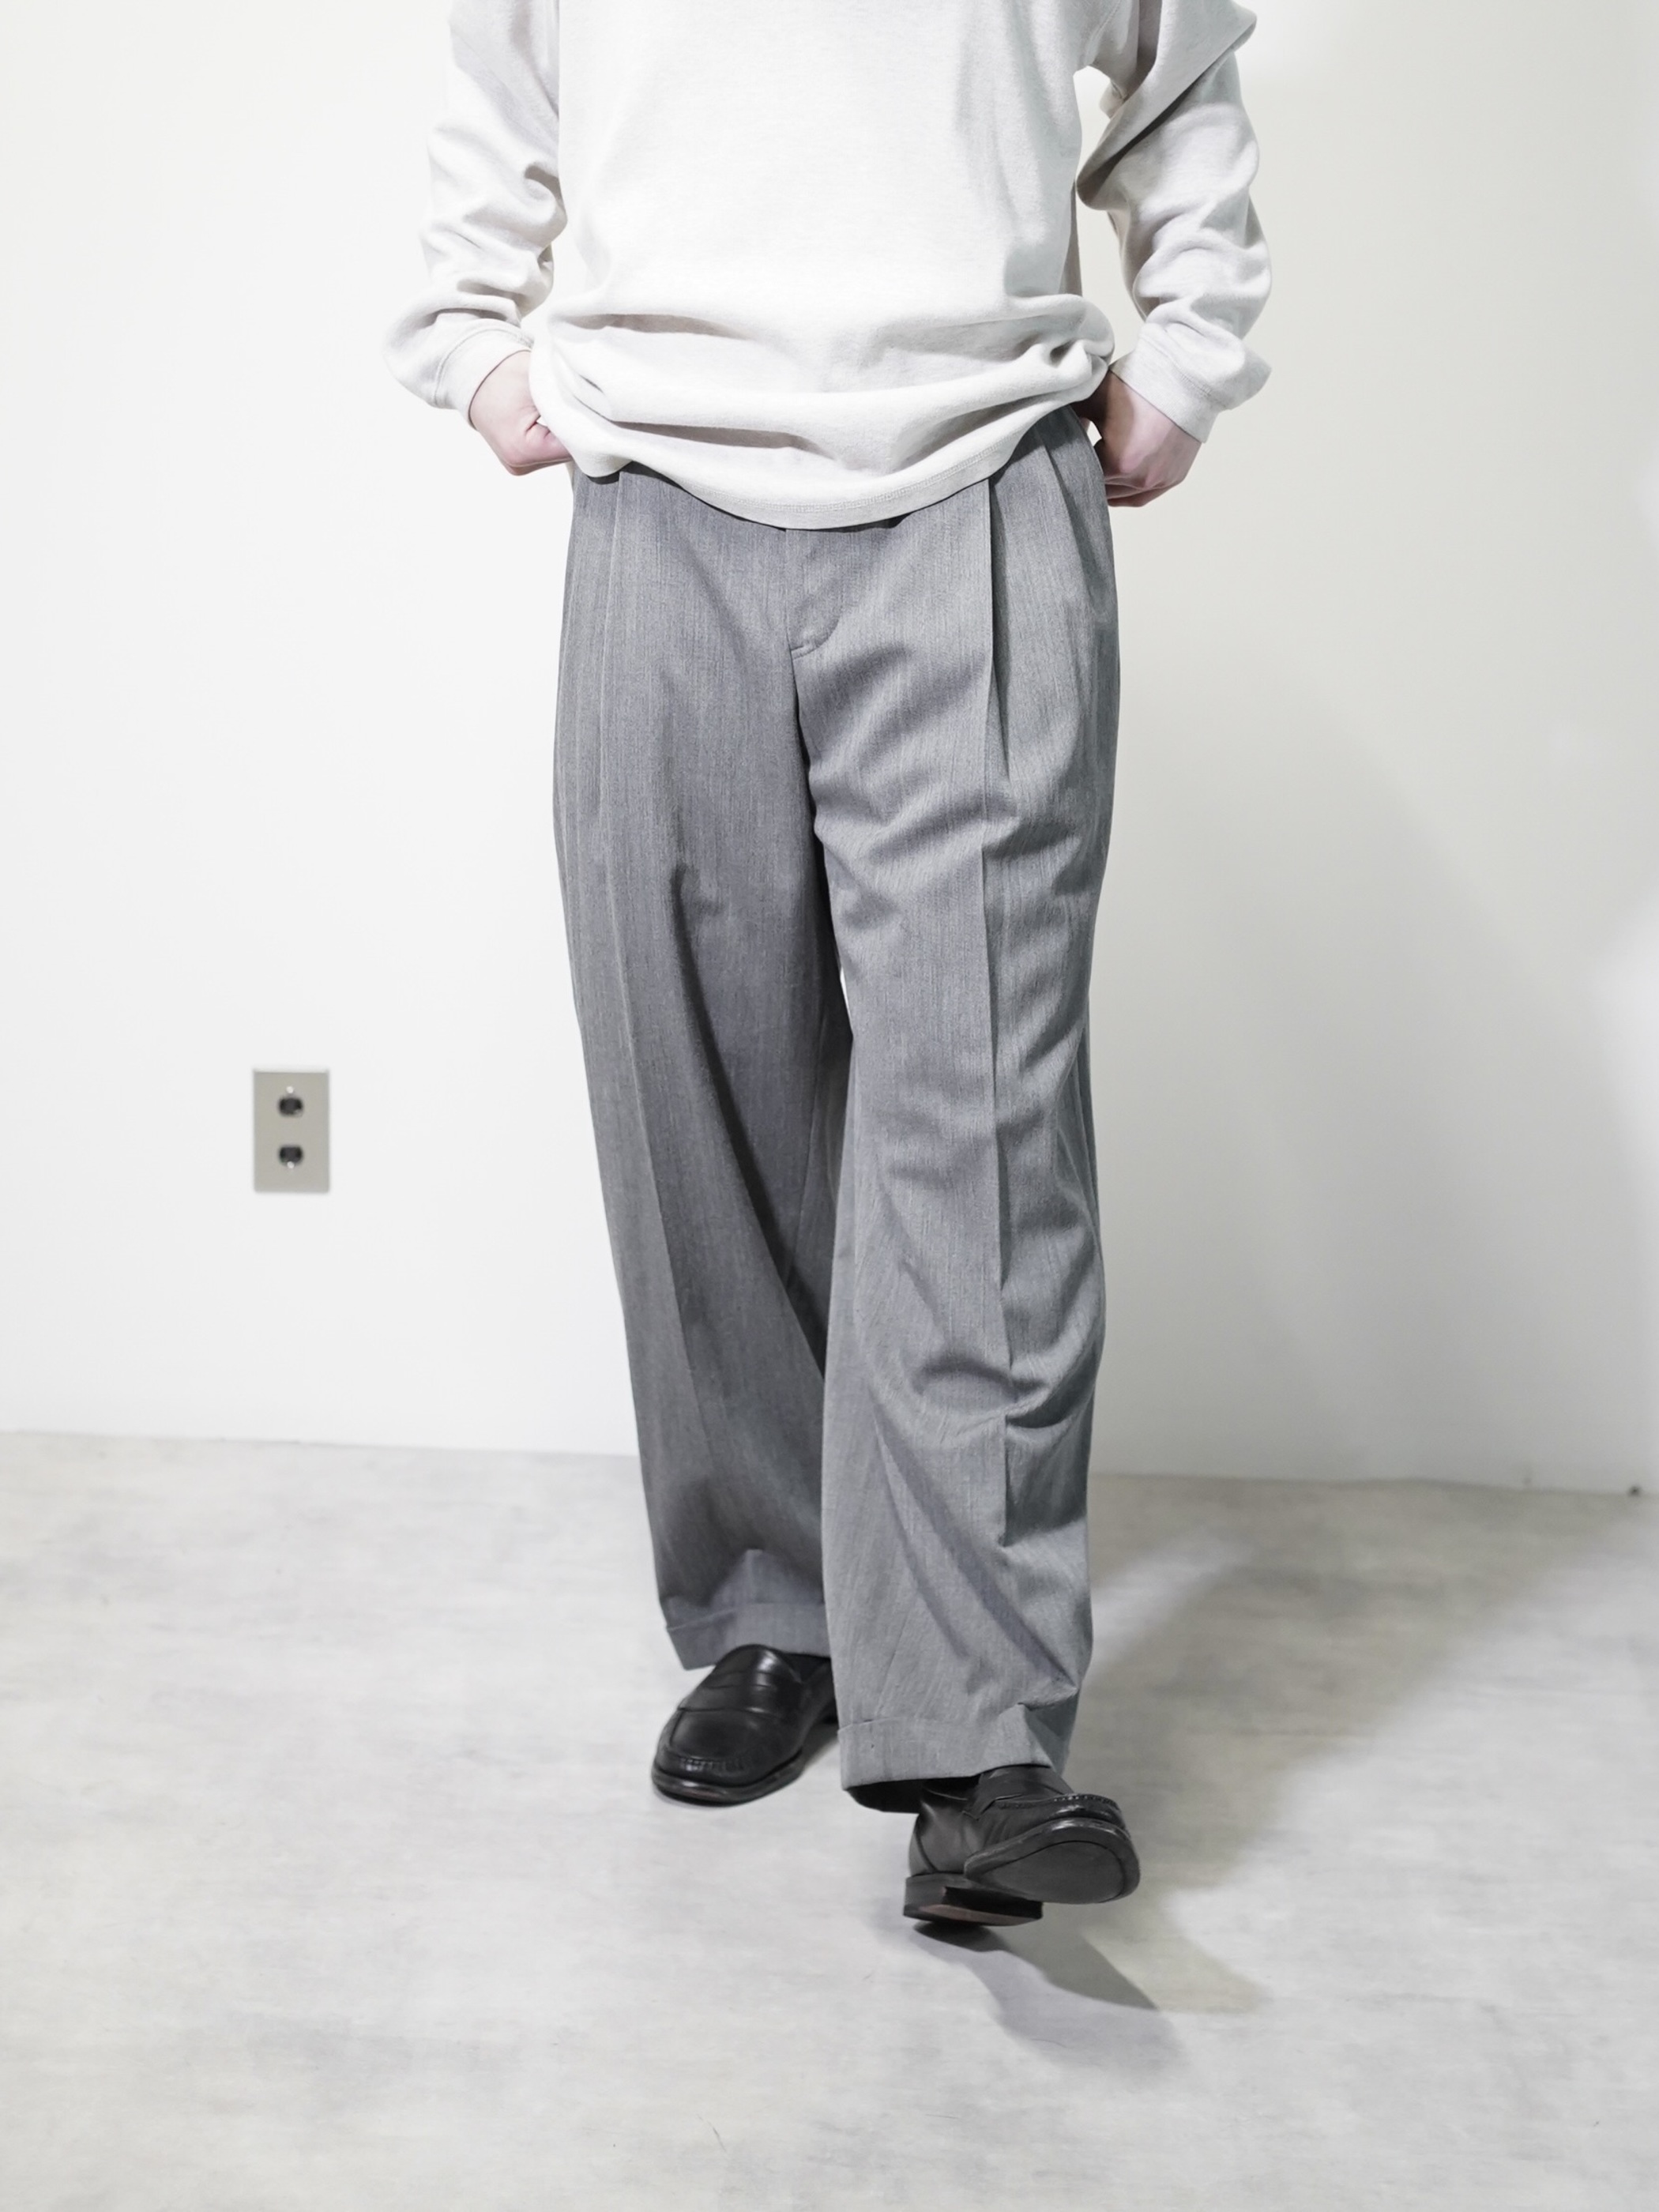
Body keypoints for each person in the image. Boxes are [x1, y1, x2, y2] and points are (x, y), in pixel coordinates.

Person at [388, 0, 1270, 1927]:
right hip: (656, 485)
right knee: (697, 1083)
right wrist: (471, 338)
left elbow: (1183, 76)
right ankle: (777, 1608)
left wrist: (1194, 350)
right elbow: (501, 69)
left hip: (981, 468)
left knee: (983, 1119)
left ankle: (979, 1740)